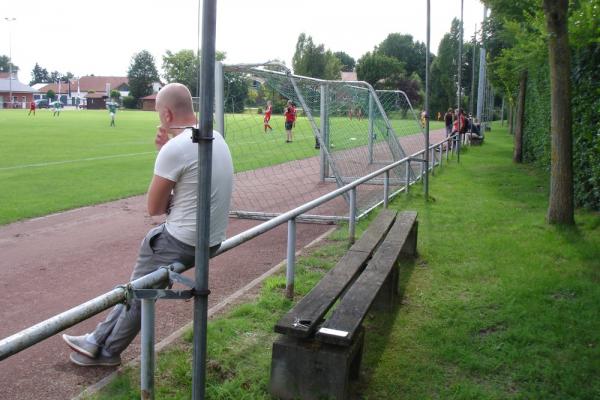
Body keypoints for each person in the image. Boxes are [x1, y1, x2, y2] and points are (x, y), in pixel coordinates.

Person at [62, 83, 234, 367]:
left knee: (141, 285)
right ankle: (97, 339)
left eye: (158, 113)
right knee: (142, 280)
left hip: (184, 240)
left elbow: (154, 209)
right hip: (212, 240)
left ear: (166, 114)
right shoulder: (215, 136)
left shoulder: (176, 148)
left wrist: (163, 153)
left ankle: (106, 350)